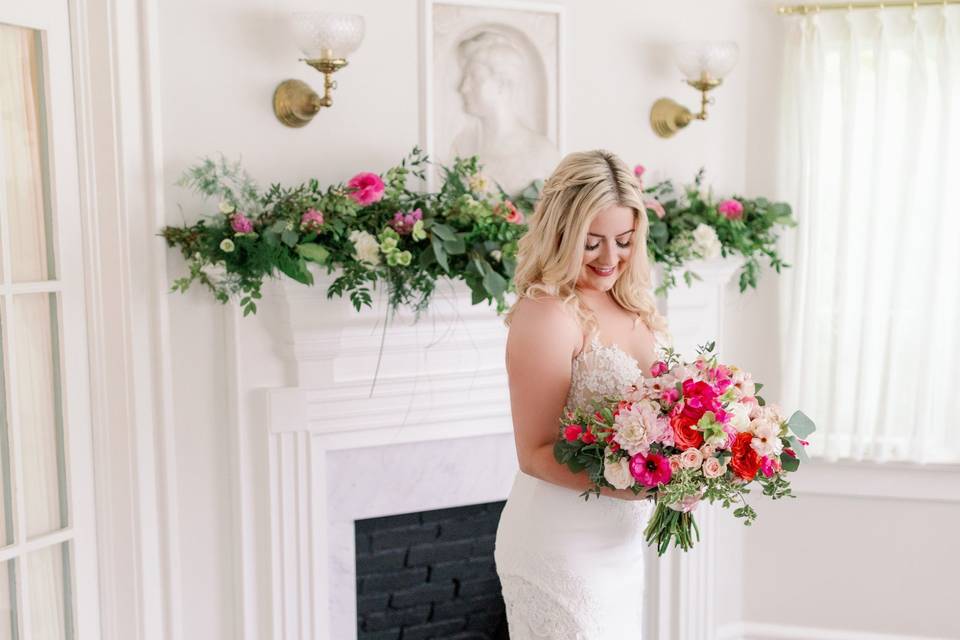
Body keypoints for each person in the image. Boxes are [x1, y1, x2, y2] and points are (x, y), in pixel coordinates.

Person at [494, 149, 671, 638]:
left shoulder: (633, 304)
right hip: (559, 543)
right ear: (560, 233)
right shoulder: (548, 314)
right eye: (591, 242)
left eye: (624, 240)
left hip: (618, 543)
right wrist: (639, 485)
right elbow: (534, 454)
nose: (610, 259)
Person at [452, 31, 560, 196]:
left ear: (502, 84)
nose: (463, 88)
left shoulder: (543, 154)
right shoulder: (461, 148)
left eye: (473, 77)